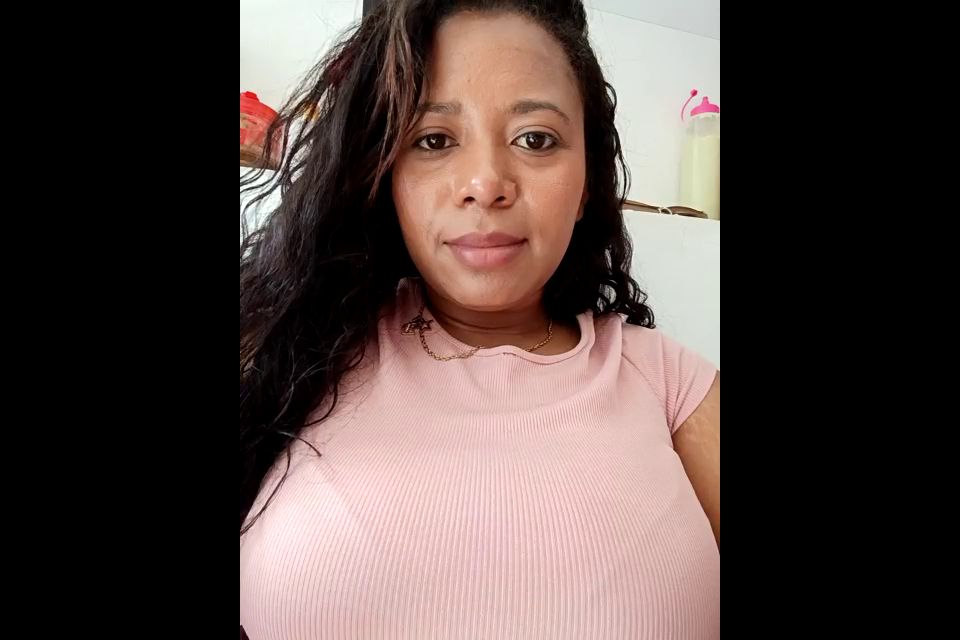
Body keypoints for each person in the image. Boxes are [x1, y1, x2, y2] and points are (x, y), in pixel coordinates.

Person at [240, 1, 719, 637]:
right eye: (434, 140)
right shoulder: (282, 348)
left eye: (535, 139)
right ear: (386, 174)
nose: (486, 183)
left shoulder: (672, 383)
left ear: (586, 184)